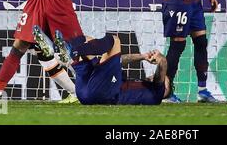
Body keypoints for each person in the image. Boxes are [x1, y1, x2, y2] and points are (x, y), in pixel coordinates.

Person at [32, 28, 171, 105]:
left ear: (165, 90)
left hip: (106, 94)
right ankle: (55, 51)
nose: (158, 76)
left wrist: (160, 58)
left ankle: (68, 53)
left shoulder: (157, 95)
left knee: (114, 40)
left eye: (166, 81)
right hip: (85, 94)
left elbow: (163, 64)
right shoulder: (133, 84)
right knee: (87, 41)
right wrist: (143, 56)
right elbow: (118, 60)